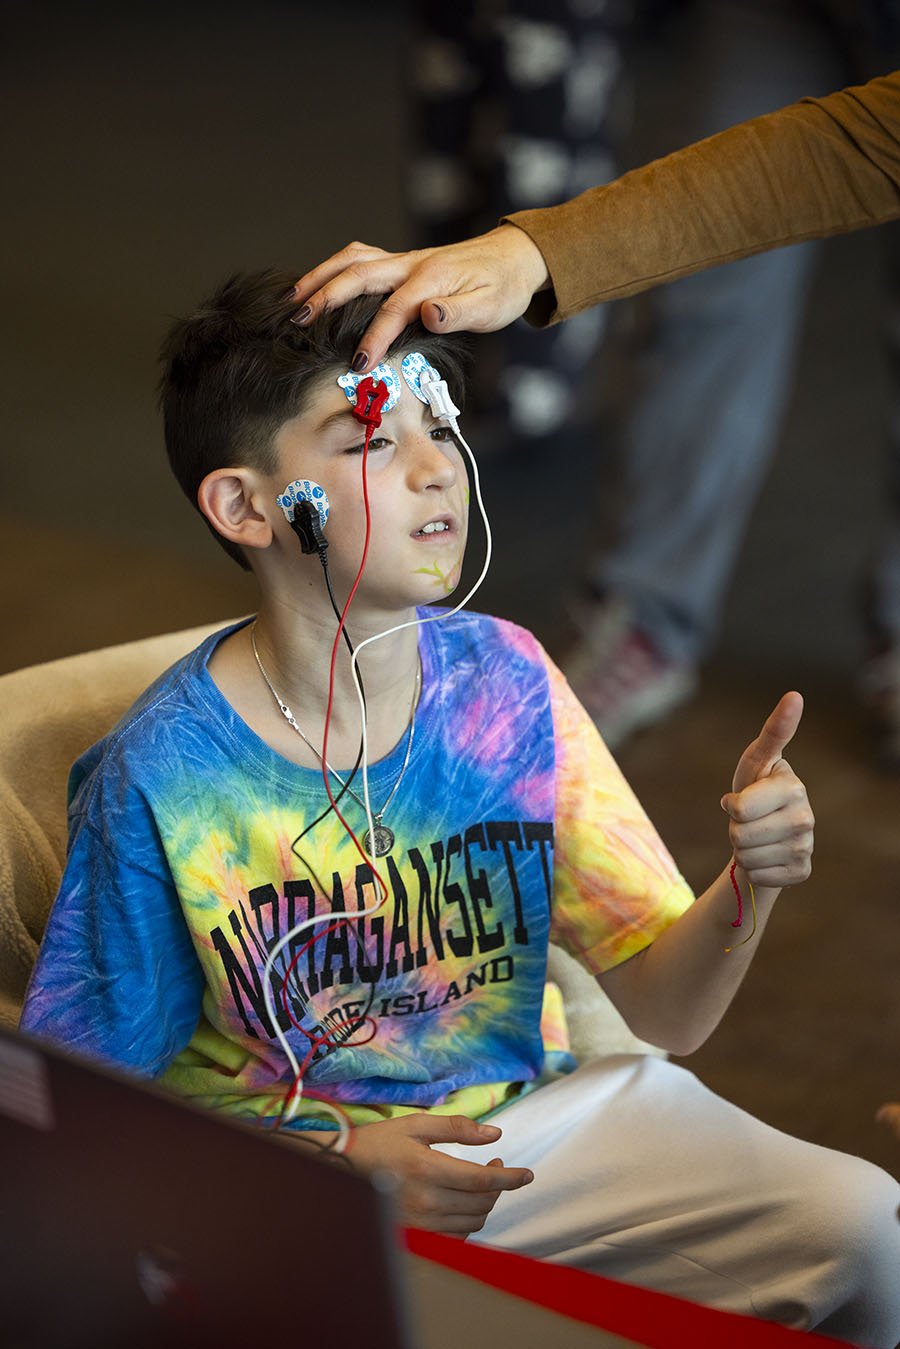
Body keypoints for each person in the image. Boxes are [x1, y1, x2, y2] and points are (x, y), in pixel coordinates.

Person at [19, 271, 900, 1344]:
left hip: (537, 1134)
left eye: (442, 425)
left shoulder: (508, 681)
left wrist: (749, 885)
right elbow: (82, 1120)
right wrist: (335, 1166)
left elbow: (670, 1015)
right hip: (298, 1185)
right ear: (248, 505)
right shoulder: (164, 777)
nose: (441, 467)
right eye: (374, 438)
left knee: (865, 1226)